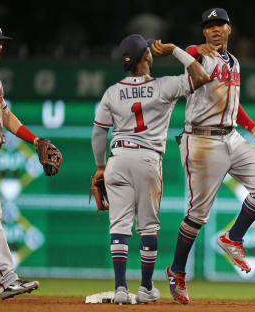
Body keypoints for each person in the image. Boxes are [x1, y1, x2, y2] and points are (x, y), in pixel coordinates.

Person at [165, 8, 255, 304]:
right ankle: (177, 271)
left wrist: (254, 128)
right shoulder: (198, 56)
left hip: (231, 136)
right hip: (201, 139)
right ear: (204, 32)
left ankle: (233, 238)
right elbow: (192, 53)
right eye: (210, 25)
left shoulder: (235, 62)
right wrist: (192, 49)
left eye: (220, 24)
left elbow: (232, 102)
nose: (215, 29)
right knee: (197, 215)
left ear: (230, 29)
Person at [91, 34, 212, 304]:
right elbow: (201, 76)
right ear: (147, 56)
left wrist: (100, 167)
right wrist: (176, 51)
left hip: (117, 157)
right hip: (147, 159)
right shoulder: (163, 86)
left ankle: (121, 288)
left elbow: (99, 133)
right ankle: (146, 288)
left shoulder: (112, 91)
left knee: (119, 226)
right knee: (147, 227)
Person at [0, 22, 60, 300]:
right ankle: (7, 280)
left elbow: (5, 115)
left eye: (0, 41)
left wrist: (35, 140)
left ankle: (7, 279)